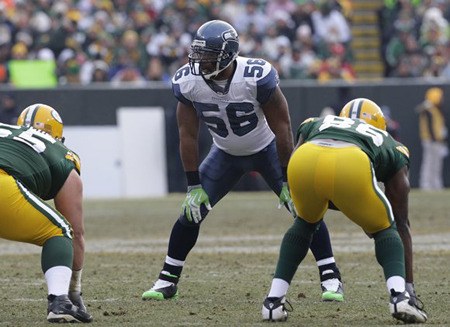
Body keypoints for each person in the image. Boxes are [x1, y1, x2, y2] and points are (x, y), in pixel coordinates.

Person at [142, 20, 343, 302]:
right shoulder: (188, 81)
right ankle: (167, 280)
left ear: (227, 54)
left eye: (208, 55)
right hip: (224, 153)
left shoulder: (255, 76)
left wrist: (287, 178)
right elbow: (187, 134)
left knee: (304, 210)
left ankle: (331, 277)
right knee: (191, 212)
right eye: (199, 54)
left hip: (267, 149)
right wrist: (192, 185)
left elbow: (283, 128)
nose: (200, 61)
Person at [261, 98, 427, 324]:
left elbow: (297, 160)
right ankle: (400, 296)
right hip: (351, 162)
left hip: (303, 158)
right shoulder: (392, 144)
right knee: (386, 228)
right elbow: (401, 221)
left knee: (304, 223)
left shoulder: (317, 121)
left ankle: (273, 302)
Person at [0, 103, 92, 323]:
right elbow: (76, 233)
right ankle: (60, 301)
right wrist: (74, 291)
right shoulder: (62, 153)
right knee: (60, 231)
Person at [416, 87, 448, 190]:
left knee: (436, 164)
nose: (441, 99)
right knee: (429, 163)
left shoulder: (434, 109)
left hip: (436, 140)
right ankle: (426, 184)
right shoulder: (428, 109)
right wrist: (435, 140)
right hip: (431, 140)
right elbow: (430, 126)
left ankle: (435, 185)